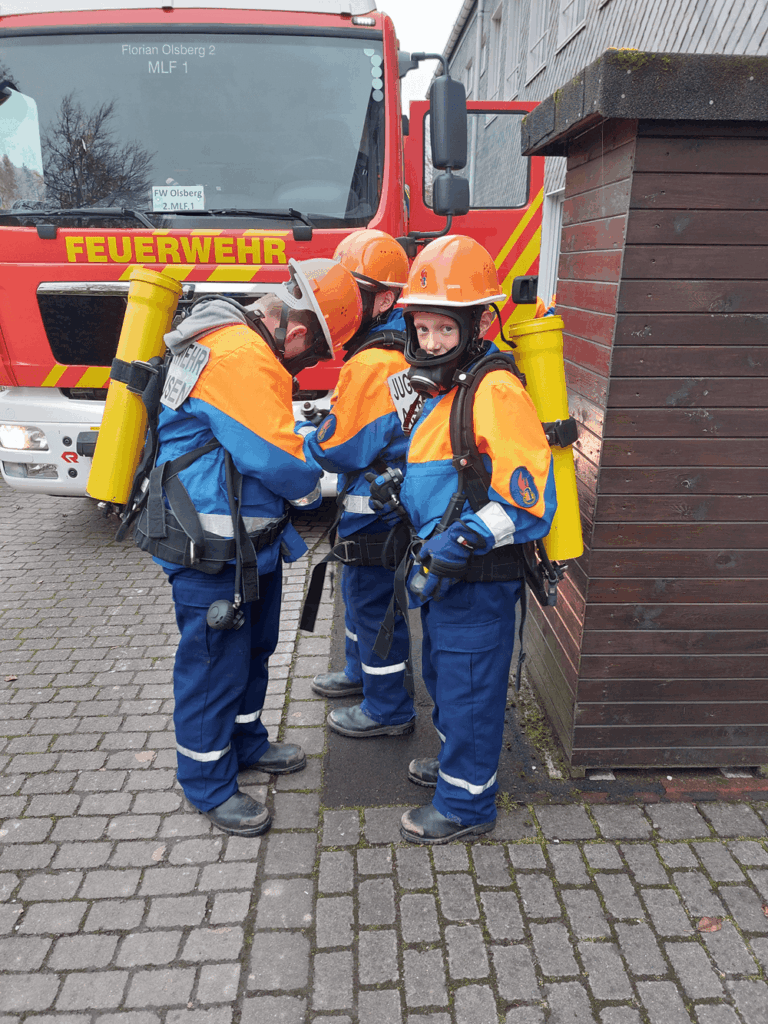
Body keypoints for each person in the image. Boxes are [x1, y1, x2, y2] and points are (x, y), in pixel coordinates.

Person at [134, 258, 362, 837]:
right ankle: (208, 783)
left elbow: (251, 436)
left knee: (253, 651)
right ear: (299, 333)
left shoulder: (229, 340)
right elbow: (275, 458)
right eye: (310, 359)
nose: (305, 367)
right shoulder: (242, 355)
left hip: (245, 545)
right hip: (210, 550)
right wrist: (313, 491)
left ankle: (247, 742)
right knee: (212, 665)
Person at [381, 235, 557, 844]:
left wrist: (465, 539)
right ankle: (460, 765)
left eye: (443, 331)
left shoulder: (494, 390)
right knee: (446, 680)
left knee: (472, 688)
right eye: (422, 330)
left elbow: (531, 500)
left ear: (477, 324)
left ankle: (466, 804)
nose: (430, 344)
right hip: (445, 577)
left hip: (477, 578)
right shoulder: (445, 385)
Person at [302, 230, 419, 737]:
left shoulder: (375, 360)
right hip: (385, 503)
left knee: (374, 607)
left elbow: (341, 448)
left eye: (355, 292)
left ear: (386, 298)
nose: (341, 302)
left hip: (377, 510)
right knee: (360, 595)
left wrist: (306, 436)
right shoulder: (393, 346)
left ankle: (387, 708)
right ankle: (358, 675)